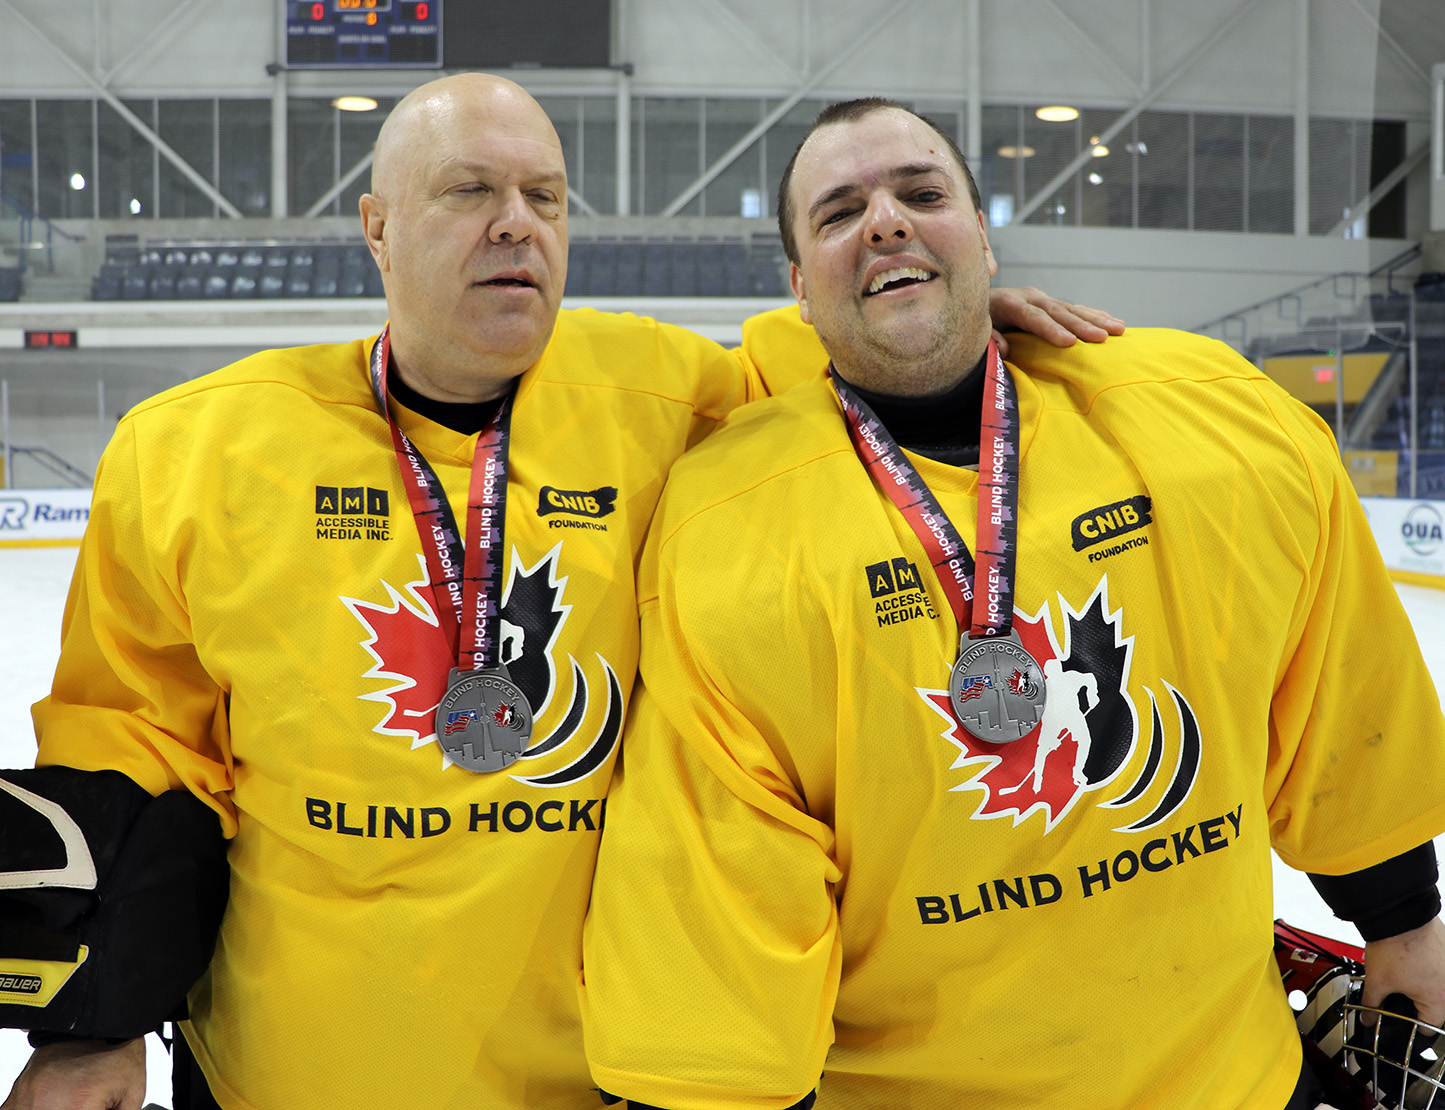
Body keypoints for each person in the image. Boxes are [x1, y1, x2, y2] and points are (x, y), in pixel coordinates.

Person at [0, 77, 1118, 1110]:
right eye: (470, 191)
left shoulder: (672, 397)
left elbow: (865, 375)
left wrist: (940, 302)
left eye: (545, 196)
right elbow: (136, 742)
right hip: (291, 1080)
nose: (516, 223)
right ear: (376, 227)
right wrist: (88, 1024)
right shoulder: (200, 450)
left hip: (609, 1083)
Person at [579, 98, 1445, 1110]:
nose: (885, 221)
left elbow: (1336, 684)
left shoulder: (1205, 422)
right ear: (795, 289)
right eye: (838, 215)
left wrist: (1401, 915)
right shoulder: (730, 527)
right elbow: (719, 875)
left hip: (1228, 1083)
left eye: (922, 194)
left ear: (985, 243)